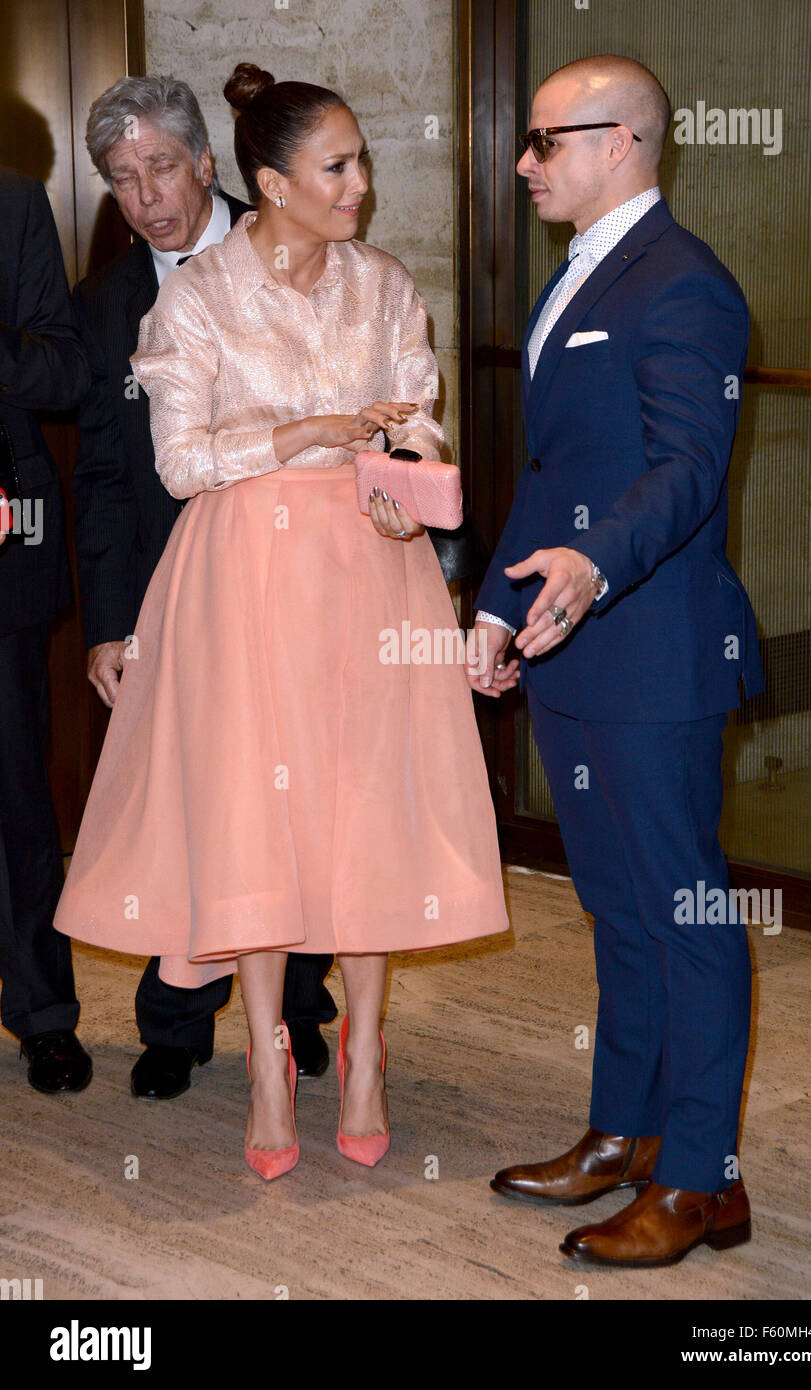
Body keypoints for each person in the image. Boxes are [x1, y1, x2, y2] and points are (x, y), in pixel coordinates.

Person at [55, 63, 508, 1177]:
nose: (360, 183)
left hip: (368, 578)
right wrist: (305, 434)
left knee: (365, 813)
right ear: (271, 181)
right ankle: (266, 1062)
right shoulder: (196, 297)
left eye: (358, 162)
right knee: (249, 822)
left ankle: (359, 1054)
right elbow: (176, 462)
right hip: (238, 581)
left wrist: (407, 496)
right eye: (338, 165)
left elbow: (418, 433)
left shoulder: (389, 284)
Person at [469, 55, 764, 1267]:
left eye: (545, 141)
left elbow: (685, 470)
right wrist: (495, 606)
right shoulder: (579, 273)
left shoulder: (684, 286)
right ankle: (624, 1132)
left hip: (651, 655)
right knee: (618, 911)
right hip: (571, 648)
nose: (525, 162)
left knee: (685, 913)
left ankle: (702, 1180)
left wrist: (592, 568)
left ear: (621, 144)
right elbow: (555, 475)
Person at [72, 76, 336, 1100]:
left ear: (207, 164)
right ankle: (177, 1022)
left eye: (162, 168)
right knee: (183, 802)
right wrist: (107, 628)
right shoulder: (108, 304)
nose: (147, 196)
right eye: (122, 178)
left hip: (298, 585)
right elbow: (100, 480)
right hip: (175, 601)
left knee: (299, 796)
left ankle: (301, 1006)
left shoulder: (294, 255)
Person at [0, 167, 92, 1092]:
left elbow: (63, 370)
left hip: (1, 535)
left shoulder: (14, 204)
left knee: (17, 789)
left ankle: (41, 1010)